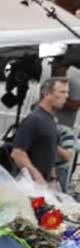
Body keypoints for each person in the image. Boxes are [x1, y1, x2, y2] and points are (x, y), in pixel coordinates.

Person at [12, 78, 72, 187]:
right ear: (47, 94)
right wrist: (37, 177)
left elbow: (50, 151)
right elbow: (17, 153)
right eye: (62, 92)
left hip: (45, 185)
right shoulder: (34, 119)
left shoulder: (51, 120)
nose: (66, 96)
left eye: (67, 92)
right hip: (29, 187)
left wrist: (53, 180)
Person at [49, 56, 80, 187]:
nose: (53, 68)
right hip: (49, 127)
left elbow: (75, 105)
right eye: (52, 65)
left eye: (56, 66)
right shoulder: (49, 82)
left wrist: (57, 99)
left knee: (63, 165)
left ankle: (61, 186)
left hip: (65, 130)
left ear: (65, 67)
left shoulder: (72, 83)